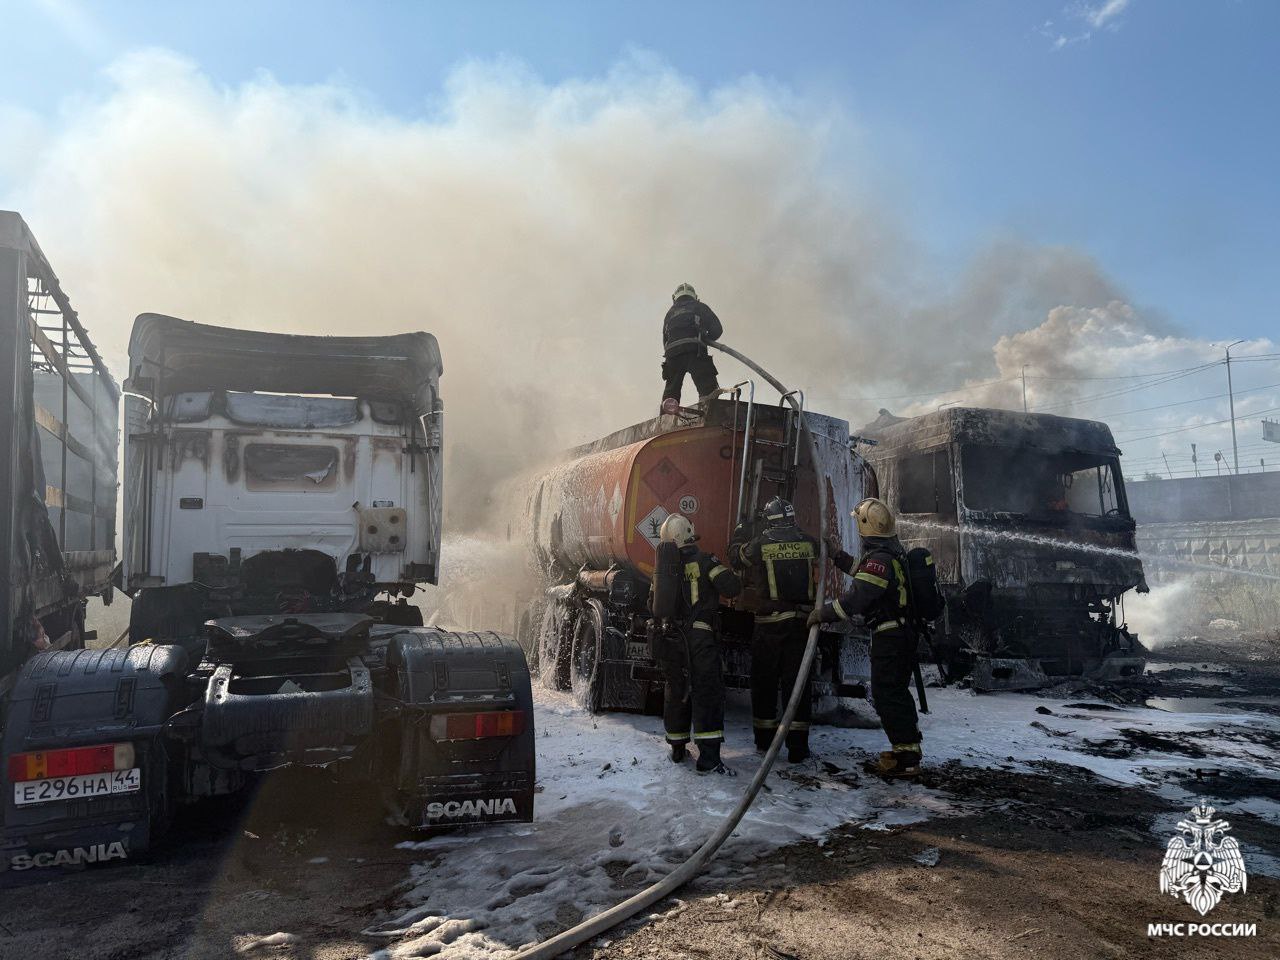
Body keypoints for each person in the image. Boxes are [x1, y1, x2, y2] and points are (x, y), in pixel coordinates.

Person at [807, 497, 923, 779]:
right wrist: (837, 555)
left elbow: (854, 600)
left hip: (891, 638)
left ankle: (905, 758)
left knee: (887, 694)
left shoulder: (880, 561)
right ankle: (906, 752)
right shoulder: (890, 555)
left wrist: (821, 614)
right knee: (895, 692)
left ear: (865, 526)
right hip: (902, 634)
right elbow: (865, 572)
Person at [729, 497, 819, 763]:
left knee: (765, 683)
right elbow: (830, 554)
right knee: (798, 685)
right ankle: (798, 747)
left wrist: (740, 533)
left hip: (769, 626)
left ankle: (765, 741)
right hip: (801, 625)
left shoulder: (761, 543)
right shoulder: (808, 541)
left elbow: (736, 558)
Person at [655, 513, 742, 775]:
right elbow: (732, 588)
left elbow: (653, 605)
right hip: (701, 639)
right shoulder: (706, 561)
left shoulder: (663, 571)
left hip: (672, 639)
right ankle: (709, 760)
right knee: (707, 692)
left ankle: (678, 748)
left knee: (677, 689)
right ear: (690, 533)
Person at [661, 283, 723, 410]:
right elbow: (717, 329)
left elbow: (665, 340)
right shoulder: (700, 307)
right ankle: (707, 412)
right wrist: (706, 338)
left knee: (671, 390)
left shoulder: (669, 314)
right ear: (695, 296)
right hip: (695, 351)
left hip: (672, 356)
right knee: (708, 388)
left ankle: (667, 416)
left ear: (675, 298)